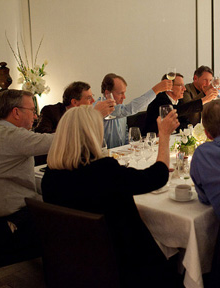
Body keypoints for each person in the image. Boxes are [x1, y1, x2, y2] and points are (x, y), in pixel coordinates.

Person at [41, 105, 180, 287]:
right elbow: (157, 177)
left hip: (75, 263)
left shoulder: (50, 177)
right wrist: (164, 136)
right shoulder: (103, 171)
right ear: (93, 133)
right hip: (124, 264)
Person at [0, 90, 54, 257]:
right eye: (32, 110)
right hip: (2, 226)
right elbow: (56, 141)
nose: (36, 116)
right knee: (68, 220)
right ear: (16, 112)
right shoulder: (12, 135)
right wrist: (91, 118)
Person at [99, 73, 172, 148]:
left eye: (124, 93)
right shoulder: (100, 109)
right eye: (120, 93)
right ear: (107, 93)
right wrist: (156, 90)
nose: (124, 97)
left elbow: (125, 135)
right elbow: (129, 109)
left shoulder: (119, 106)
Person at [143, 73, 216, 134]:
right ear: (169, 87)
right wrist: (203, 100)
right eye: (180, 85)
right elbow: (176, 111)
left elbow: (185, 121)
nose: (184, 89)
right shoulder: (159, 100)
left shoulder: (179, 101)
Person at [35, 81, 115, 134]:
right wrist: (93, 116)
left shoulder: (85, 115)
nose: (93, 101)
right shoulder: (50, 111)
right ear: (75, 102)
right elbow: (43, 138)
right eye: (89, 98)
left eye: (92, 97)